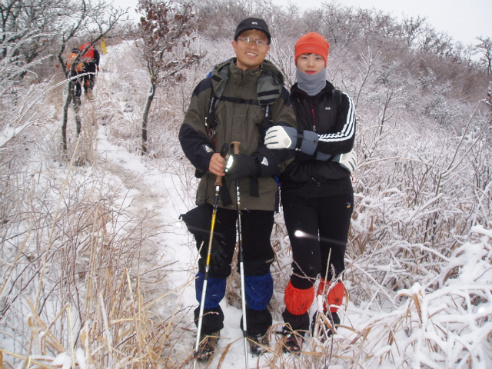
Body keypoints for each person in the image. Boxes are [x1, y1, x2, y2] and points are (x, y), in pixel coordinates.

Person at [179, 18, 297, 360]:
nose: (252, 44)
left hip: (258, 192)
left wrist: (254, 163)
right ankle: (208, 324)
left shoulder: (276, 90)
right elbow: (190, 131)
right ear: (234, 44)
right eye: (246, 38)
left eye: (260, 40)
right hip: (214, 187)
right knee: (212, 258)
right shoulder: (212, 84)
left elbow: (286, 143)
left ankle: (257, 324)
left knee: (256, 259)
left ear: (268, 48)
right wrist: (206, 158)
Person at [264, 32, 357, 352]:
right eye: (305, 57)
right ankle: (295, 321)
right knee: (306, 263)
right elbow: (279, 147)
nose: (311, 63)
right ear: (296, 60)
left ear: (326, 60)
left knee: (334, 262)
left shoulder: (342, 100)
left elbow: (346, 141)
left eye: (317, 57)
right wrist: (329, 153)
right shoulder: (283, 101)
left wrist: (298, 140)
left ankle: (329, 317)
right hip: (298, 192)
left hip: (336, 193)